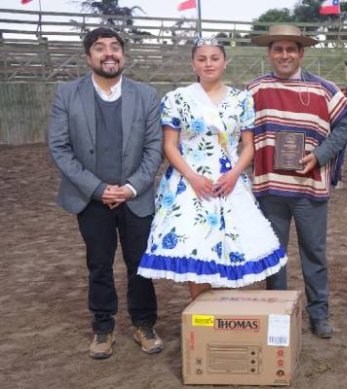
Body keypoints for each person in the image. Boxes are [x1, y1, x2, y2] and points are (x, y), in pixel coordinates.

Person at [137, 38, 287, 298]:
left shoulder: (242, 100)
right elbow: (170, 145)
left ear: (225, 62)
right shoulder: (177, 98)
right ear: (193, 64)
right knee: (198, 247)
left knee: (232, 248)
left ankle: (219, 316)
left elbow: (248, 146)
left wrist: (234, 175)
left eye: (214, 58)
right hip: (189, 182)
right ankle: (201, 316)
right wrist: (193, 177)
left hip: (229, 180)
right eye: (202, 59)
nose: (208, 64)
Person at [47, 27, 163, 359]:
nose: (109, 53)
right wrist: (98, 189)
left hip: (135, 196)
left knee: (139, 262)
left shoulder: (146, 95)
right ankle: (103, 327)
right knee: (98, 264)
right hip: (90, 197)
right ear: (89, 57)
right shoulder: (67, 94)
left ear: (123, 54)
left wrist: (129, 187)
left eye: (115, 47)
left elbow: (154, 148)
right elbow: (59, 147)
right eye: (100, 48)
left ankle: (143, 323)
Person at [246, 25, 347, 339]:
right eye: (278, 50)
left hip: (310, 188)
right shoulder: (254, 89)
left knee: (314, 253)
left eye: (290, 49)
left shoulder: (325, 89)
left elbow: (344, 128)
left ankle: (319, 314)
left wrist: (320, 155)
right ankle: (278, 313)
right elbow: (240, 131)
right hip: (269, 188)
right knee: (274, 254)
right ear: (270, 53)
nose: (284, 55)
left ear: (301, 53)